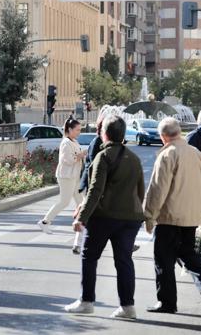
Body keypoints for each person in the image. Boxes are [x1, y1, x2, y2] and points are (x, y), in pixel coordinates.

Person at [65, 116, 145, 319]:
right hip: (130, 218)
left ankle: (86, 301)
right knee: (124, 260)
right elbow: (140, 191)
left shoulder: (103, 156)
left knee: (89, 257)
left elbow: (95, 190)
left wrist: (81, 218)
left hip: (105, 217)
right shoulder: (134, 158)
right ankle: (128, 307)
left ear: (104, 134)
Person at [144, 117, 201, 313]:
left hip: (170, 215)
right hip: (192, 215)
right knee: (186, 252)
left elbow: (158, 189)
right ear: (179, 132)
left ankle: (167, 302)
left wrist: (149, 216)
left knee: (163, 260)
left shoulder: (168, 154)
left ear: (163, 136)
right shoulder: (195, 153)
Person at [38, 118, 86, 254]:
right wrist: (81, 155)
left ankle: (81, 231)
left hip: (75, 176)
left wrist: (81, 155)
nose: (79, 132)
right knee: (64, 202)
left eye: (79, 130)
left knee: (81, 203)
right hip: (66, 176)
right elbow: (67, 160)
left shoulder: (74, 141)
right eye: (77, 130)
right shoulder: (66, 143)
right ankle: (45, 222)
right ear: (69, 130)